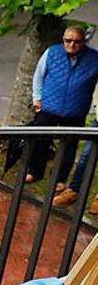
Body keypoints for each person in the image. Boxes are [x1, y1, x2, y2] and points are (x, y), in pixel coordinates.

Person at [27, 26, 98, 198]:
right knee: (40, 140)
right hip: (49, 106)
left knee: (69, 145)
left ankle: (60, 178)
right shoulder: (52, 52)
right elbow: (38, 75)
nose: (72, 44)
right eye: (68, 40)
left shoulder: (95, 58)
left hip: (75, 109)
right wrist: (37, 99)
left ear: (84, 42)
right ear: (63, 39)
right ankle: (35, 171)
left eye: (77, 41)